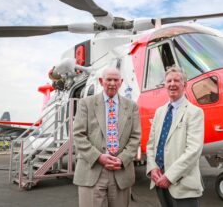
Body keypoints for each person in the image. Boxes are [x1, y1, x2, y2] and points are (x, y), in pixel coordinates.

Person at [73, 67, 141, 207]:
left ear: (121, 82)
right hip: (92, 169)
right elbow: (78, 135)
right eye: (108, 79)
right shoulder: (86, 104)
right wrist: (98, 157)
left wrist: (122, 159)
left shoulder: (132, 106)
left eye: (116, 80)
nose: (112, 83)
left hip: (120, 171)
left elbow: (135, 137)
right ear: (101, 81)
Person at [146, 66, 205, 207]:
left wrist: (170, 176)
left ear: (185, 85)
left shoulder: (195, 113)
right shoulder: (159, 112)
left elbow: (193, 150)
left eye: (177, 80)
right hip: (159, 180)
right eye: (169, 81)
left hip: (182, 185)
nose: (172, 84)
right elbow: (150, 145)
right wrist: (153, 168)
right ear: (165, 85)